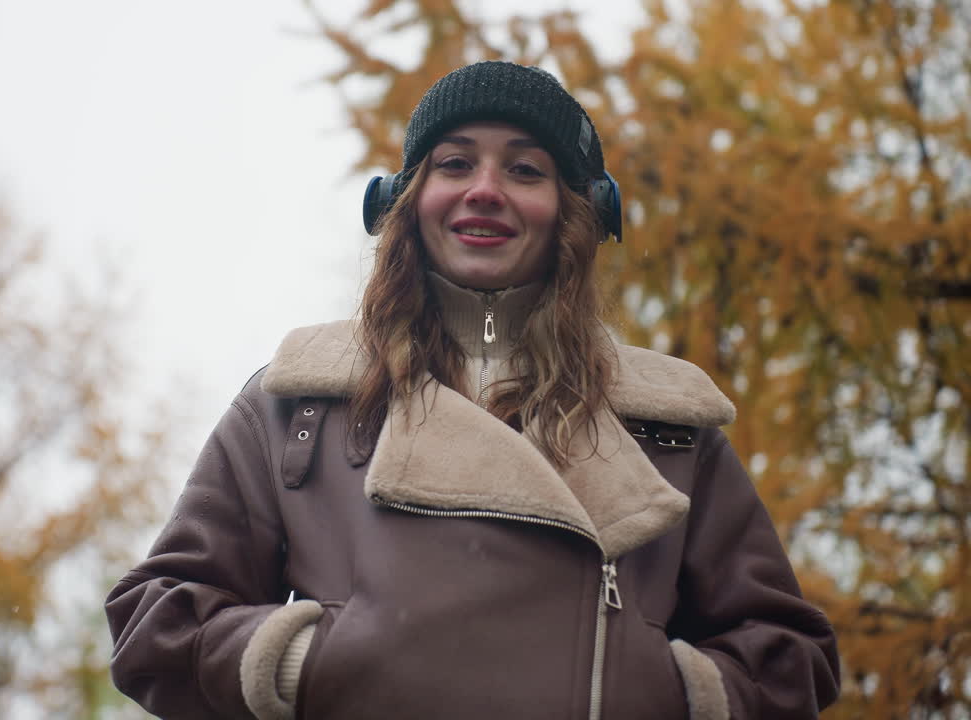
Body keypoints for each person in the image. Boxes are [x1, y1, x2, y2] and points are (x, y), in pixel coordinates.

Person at [105, 61, 839, 719]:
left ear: (579, 214)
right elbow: (156, 624)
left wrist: (655, 690)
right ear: (405, 199)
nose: (485, 192)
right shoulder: (299, 401)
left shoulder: (668, 424)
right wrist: (307, 666)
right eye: (455, 164)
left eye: (525, 170)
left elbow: (788, 658)